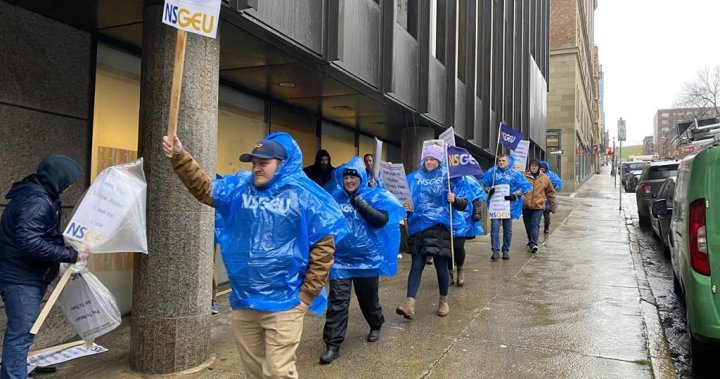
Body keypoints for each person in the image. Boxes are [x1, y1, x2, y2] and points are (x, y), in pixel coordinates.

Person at [162, 132, 346, 379]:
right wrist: (179, 156)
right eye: (254, 163)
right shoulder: (240, 187)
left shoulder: (302, 194)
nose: (257, 169)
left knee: (278, 373)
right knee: (255, 373)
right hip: (245, 302)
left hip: (285, 303)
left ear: (281, 164)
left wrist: (306, 294)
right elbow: (204, 188)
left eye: (264, 163)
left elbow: (324, 246)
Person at [0, 154, 89, 379]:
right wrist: (71, 254)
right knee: (21, 334)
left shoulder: (40, 194)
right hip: (21, 278)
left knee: (21, 332)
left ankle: (13, 373)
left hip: (24, 274)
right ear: (58, 178)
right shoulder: (38, 201)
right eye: (68, 181)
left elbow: (38, 235)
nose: (69, 186)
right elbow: (30, 242)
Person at [320, 157, 404, 364]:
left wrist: (359, 201)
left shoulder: (374, 194)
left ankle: (376, 323)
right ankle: (333, 344)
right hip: (340, 260)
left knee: (368, 299)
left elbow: (380, 221)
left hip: (367, 259)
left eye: (353, 177)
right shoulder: (334, 197)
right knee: (337, 303)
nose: (349, 180)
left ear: (362, 178)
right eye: (346, 176)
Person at [396, 143, 470, 319]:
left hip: (440, 228)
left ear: (439, 160)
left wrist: (455, 199)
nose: (429, 162)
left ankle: (443, 301)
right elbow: (405, 199)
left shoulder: (449, 177)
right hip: (418, 228)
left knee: (441, 267)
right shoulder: (413, 177)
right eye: (427, 159)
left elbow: (464, 203)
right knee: (416, 265)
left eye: (433, 159)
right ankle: (409, 304)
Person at [481, 154, 532, 261]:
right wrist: (489, 190)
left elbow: (525, 187)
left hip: (509, 206)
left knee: (507, 229)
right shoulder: (492, 172)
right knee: (494, 228)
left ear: (508, 162)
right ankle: (495, 251)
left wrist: (515, 195)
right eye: (499, 161)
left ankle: (505, 250)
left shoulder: (515, 174)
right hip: (496, 206)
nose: (501, 162)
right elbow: (484, 184)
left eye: (503, 161)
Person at [449, 176, 486, 287]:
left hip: (464, 218)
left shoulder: (469, 180)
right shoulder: (442, 179)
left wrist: (477, 212)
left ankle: (460, 268)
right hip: (446, 217)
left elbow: (476, 198)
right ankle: (450, 272)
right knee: (447, 247)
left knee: (458, 246)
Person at [522, 159, 557, 253]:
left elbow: (551, 192)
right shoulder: (524, 176)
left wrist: (553, 206)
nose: (533, 167)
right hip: (525, 206)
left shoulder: (545, 178)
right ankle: (530, 240)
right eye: (532, 165)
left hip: (538, 206)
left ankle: (534, 243)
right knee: (528, 225)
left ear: (538, 167)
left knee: (535, 224)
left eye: (535, 166)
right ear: (529, 167)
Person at [539, 161, 563, 234]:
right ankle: (535, 229)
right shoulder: (537, 174)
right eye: (541, 167)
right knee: (536, 216)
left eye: (543, 168)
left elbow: (558, 182)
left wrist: (554, 188)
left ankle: (546, 227)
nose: (542, 169)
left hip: (547, 201)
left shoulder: (551, 175)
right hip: (538, 199)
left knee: (546, 215)